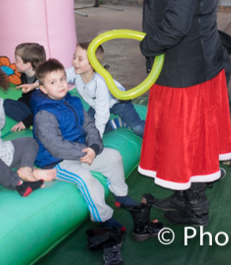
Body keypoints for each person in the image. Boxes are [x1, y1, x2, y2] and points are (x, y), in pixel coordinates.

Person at [138, 0, 231, 226]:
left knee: (187, 139)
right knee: (188, 136)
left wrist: (146, 45)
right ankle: (183, 196)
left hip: (184, 70)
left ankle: (195, 207)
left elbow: (176, 24)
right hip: (194, 67)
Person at [31, 59, 160, 240]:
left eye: (62, 79)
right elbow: (55, 145)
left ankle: (121, 196)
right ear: (43, 89)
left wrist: (94, 146)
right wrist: (84, 151)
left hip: (81, 153)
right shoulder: (44, 113)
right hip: (56, 162)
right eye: (53, 82)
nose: (60, 85)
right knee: (85, 178)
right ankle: (104, 218)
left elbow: (89, 125)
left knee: (113, 156)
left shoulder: (73, 101)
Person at [65, 41, 145, 137]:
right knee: (87, 127)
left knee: (138, 129)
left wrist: (97, 139)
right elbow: (60, 75)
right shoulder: (75, 72)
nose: (74, 61)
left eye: (80, 59)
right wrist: (43, 80)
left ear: (93, 63)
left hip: (119, 103)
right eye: (74, 57)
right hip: (97, 104)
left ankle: (149, 127)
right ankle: (117, 122)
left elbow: (102, 113)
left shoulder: (99, 83)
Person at [3, 42, 46, 130]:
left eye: (17, 60)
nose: (14, 62)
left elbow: (43, 108)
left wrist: (25, 122)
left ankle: (34, 121)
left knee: (42, 116)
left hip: (40, 111)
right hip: (30, 107)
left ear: (28, 65)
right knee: (5, 103)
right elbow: (26, 97)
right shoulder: (24, 75)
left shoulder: (42, 80)